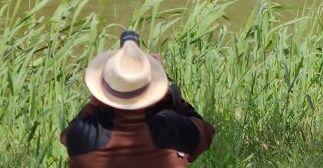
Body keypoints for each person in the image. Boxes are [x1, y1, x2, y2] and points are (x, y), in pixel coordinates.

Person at [61, 30, 214, 167]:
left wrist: (100, 97)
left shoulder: (83, 135)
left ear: (103, 93)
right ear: (152, 90)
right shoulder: (172, 129)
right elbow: (206, 131)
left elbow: (66, 136)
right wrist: (165, 93)